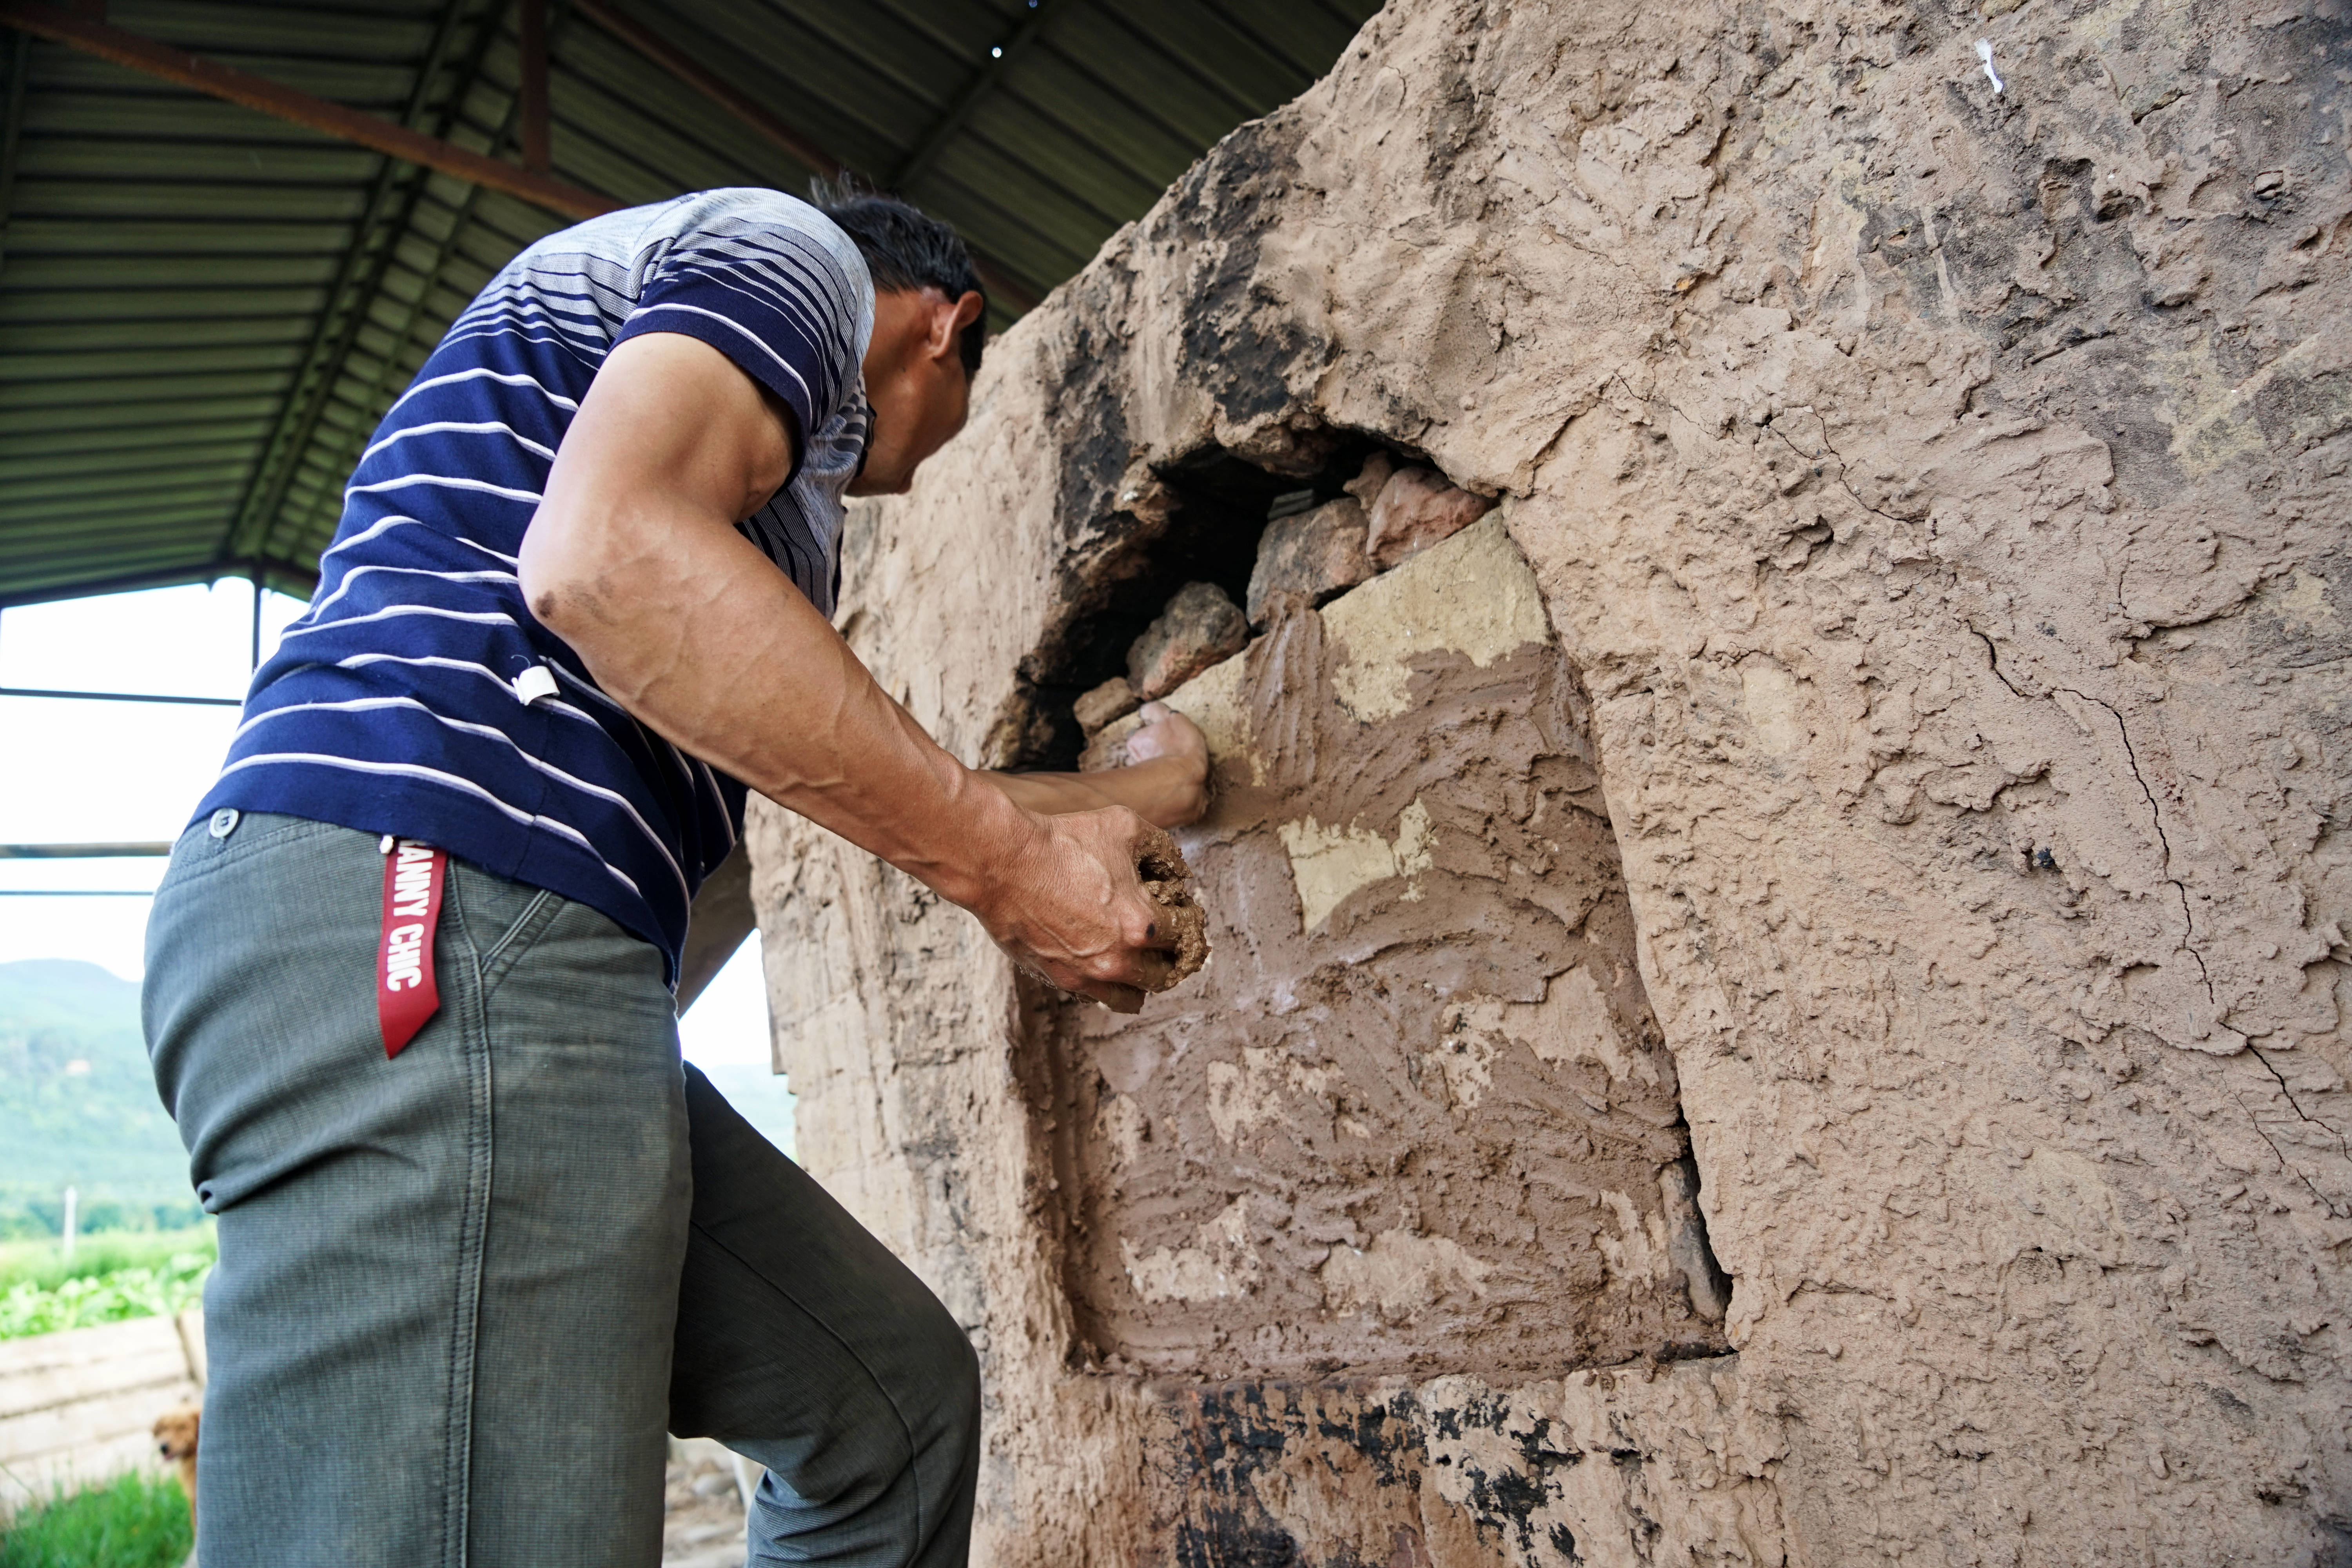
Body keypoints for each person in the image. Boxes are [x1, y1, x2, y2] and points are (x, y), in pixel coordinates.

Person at [142, 185, 1207, 1568]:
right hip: (434, 898)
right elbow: (601, 559)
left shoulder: (732, 471)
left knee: (886, 1416)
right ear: (947, 328)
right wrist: (1007, 872)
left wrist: (1146, 792)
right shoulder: (793, 253)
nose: (912, 476)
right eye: (947, 430)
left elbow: (868, 762)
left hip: (521, 953)